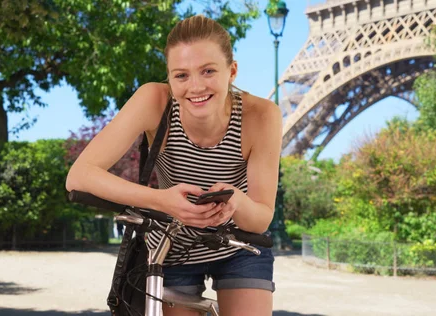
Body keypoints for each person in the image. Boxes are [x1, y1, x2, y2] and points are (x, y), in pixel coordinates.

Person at [66, 15, 281, 316]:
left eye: (208, 71)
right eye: (181, 75)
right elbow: (79, 176)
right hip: (172, 244)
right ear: (168, 77)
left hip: (239, 244)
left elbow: (260, 219)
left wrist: (237, 202)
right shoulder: (154, 100)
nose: (195, 86)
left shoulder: (262, 115)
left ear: (232, 71)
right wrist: (162, 201)